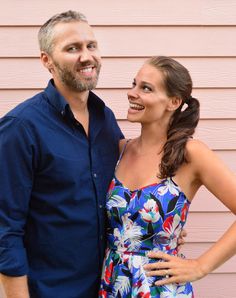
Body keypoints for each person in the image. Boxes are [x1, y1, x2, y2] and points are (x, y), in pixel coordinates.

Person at [0, 10, 124, 298]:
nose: (86, 56)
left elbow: (124, 190)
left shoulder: (105, 119)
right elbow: (5, 230)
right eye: (72, 48)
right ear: (47, 60)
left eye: (90, 46)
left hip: (110, 286)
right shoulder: (20, 128)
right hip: (51, 290)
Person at [99, 56, 236, 297]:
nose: (132, 93)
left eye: (146, 88)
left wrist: (201, 266)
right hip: (114, 286)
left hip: (160, 289)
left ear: (173, 102)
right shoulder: (120, 150)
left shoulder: (190, 154)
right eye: (134, 84)